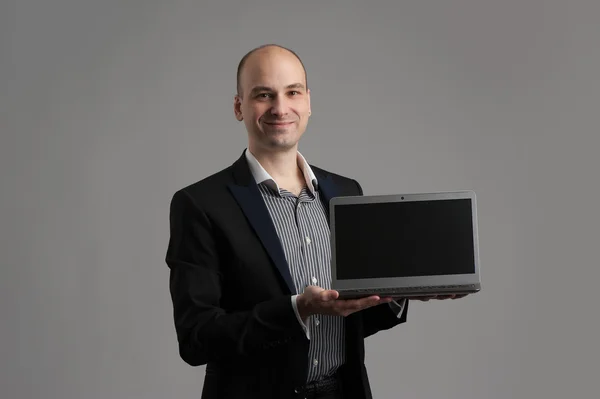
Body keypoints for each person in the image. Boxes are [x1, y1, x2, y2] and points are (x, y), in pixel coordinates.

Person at [165, 44, 463, 399]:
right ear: (238, 106)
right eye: (263, 94)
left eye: (292, 92)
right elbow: (196, 339)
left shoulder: (345, 192)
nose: (280, 107)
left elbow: (347, 322)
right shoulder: (200, 204)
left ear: (308, 101)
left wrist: (396, 295)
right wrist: (297, 309)